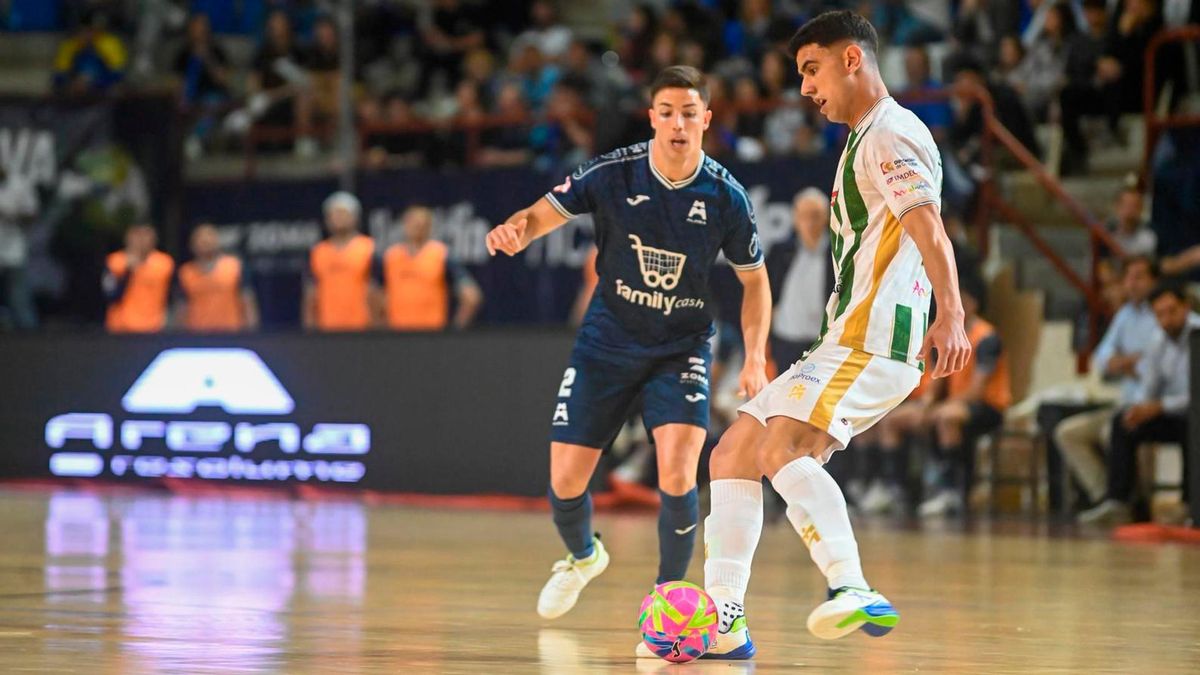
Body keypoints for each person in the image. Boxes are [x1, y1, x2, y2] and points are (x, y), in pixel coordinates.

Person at [699, 11, 970, 657]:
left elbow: (929, 228)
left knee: (780, 449)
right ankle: (724, 619)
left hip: (874, 340)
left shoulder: (889, 134)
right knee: (733, 453)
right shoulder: (863, 137)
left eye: (811, 69)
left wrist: (952, 313)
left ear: (853, 59)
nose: (806, 89)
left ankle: (851, 586)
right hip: (843, 339)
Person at [484, 66, 771, 629]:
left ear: (706, 120)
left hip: (681, 346)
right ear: (652, 118)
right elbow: (541, 213)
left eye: (689, 113)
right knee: (565, 480)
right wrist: (516, 229)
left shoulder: (726, 196)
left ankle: (668, 601)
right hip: (607, 341)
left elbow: (755, 280)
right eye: (666, 112)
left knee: (679, 470)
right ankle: (583, 556)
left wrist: (756, 356)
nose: (678, 124)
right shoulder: (613, 173)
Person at [1078, 280, 1198, 525]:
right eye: (1160, 314)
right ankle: (1120, 502)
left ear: (1186, 308)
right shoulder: (1157, 339)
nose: (1166, 320)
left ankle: (1190, 504)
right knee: (1123, 424)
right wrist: (1141, 409)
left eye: (1172, 312)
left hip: (1194, 413)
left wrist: (1159, 406)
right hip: (1170, 411)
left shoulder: (1197, 334)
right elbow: (1149, 386)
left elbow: (1196, 397)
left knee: (1193, 427)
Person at [1055, 255, 1160, 511]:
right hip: (1124, 403)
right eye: (1129, 277)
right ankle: (1104, 496)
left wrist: (1130, 362)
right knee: (1068, 432)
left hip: (1154, 405)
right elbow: (1102, 358)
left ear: (1155, 281)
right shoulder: (1125, 315)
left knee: (1112, 432)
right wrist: (1125, 361)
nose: (1132, 283)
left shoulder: (1163, 311)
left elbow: (1157, 362)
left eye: (1139, 277)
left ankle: (1130, 501)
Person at [917, 283, 1011, 517]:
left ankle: (952, 491)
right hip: (957, 403)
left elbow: (977, 390)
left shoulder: (987, 337)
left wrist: (943, 406)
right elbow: (938, 377)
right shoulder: (947, 334)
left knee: (947, 417)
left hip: (989, 406)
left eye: (961, 299)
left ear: (973, 303)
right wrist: (928, 403)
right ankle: (893, 488)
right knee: (895, 420)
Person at [767, 188, 835, 372]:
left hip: (822, 342)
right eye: (804, 216)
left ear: (826, 217)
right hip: (786, 338)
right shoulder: (780, 252)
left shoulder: (837, 254)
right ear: (795, 219)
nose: (810, 223)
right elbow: (767, 291)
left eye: (816, 215)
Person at [382, 206, 482, 331]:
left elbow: (471, 296)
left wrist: (456, 330)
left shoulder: (441, 255)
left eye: (422, 225)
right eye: (413, 223)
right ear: (404, 224)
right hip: (396, 333)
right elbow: (375, 294)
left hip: (431, 334)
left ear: (430, 227)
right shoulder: (391, 256)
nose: (417, 228)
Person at [302, 192, 380, 331]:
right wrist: (310, 329)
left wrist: (376, 327)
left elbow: (376, 292)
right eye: (335, 214)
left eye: (343, 213)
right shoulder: (318, 252)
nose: (339, 218)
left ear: (355, 217)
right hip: (327, 328)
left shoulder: (368, 248)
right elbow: (311, 294)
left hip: (361, 327)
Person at [175, 224, 259, 333]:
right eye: (200, 238)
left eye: (209, 237)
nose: (205, 241)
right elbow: (181, 308)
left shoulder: (234, 266)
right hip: (196, 336)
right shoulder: (185, 272)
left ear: (217, 241)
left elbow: (247, 300)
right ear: (192, 244)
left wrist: (252, 333)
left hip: (231, 334)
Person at [103, 224, 174, 333]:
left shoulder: (165, 263)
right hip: (121, 328)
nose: (142, 240)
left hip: (153, 328)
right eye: (137, 235)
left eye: (146, 235)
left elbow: (171, 296)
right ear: (128, 237)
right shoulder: (115, 261)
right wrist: (128, 271)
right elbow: (111, 295)